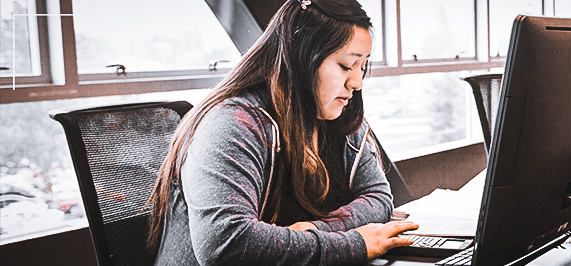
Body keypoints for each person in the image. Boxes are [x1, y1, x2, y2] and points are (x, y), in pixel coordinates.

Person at [146, 0, 419, 265]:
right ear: (301, 57)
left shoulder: (339, 116)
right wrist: (353, 245)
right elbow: (225, 243)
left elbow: (378, 197)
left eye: (362, 66)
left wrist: (316, 230)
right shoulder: (233, 124)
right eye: (346, 66)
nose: (357, 82)